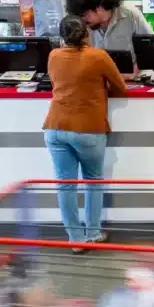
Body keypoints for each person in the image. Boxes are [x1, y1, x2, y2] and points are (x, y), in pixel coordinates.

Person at [43, 15, 128, 252]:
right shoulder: (98, 56)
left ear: (62, 37)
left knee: (65, 185)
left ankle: (75, 240)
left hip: (55, 127)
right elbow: (120, 87)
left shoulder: (53, 55)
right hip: (88, 129)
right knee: (93, 181)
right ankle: (93, 232)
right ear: (86, 34)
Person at [65, 0, 152, 54]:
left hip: (129, 73)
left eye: (84, 15)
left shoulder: (130, 14)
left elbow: (150, 45)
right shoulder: (80, 24)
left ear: (99, 7)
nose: (82, 20)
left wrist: (137, 67)